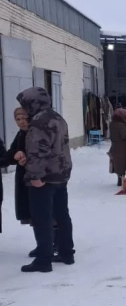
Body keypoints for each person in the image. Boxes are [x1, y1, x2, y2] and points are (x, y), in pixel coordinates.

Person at [17, 87, 74, 273]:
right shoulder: (58, 118)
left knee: (42, 218)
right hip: (60, 175)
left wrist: (35, 176)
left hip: (44, 178)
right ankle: (66, 253)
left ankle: (43, 259)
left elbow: (37, 152)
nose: (24, 108)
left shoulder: (39, 122)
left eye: (25, 104)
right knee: (61, 214)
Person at [109, 108, 126, 187]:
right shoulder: (121, 125)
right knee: (123, 164)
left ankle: (120, 180)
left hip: (115, 146)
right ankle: (122, 181)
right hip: (122, 147)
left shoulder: (112, 123)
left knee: (118, 164)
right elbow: (124, 135)